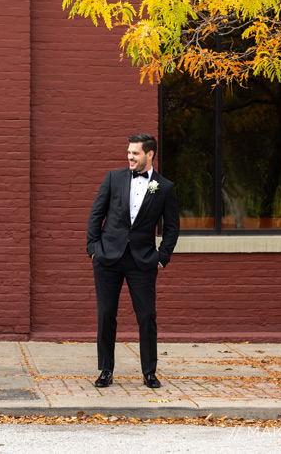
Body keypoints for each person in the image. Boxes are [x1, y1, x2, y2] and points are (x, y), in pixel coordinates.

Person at [87, 133, 179, 390]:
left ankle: (149, 372)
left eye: (135, 153)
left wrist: (162, 257)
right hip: (108, 258)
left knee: (147, 316)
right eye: (128, 151)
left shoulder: (165, 188)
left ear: (150, 155)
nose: (129, 156)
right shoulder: (113, 179)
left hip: (143, 261)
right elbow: (96, 214)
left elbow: (172, 228)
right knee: (106, 315)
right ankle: (106, 370)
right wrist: (93, 249)